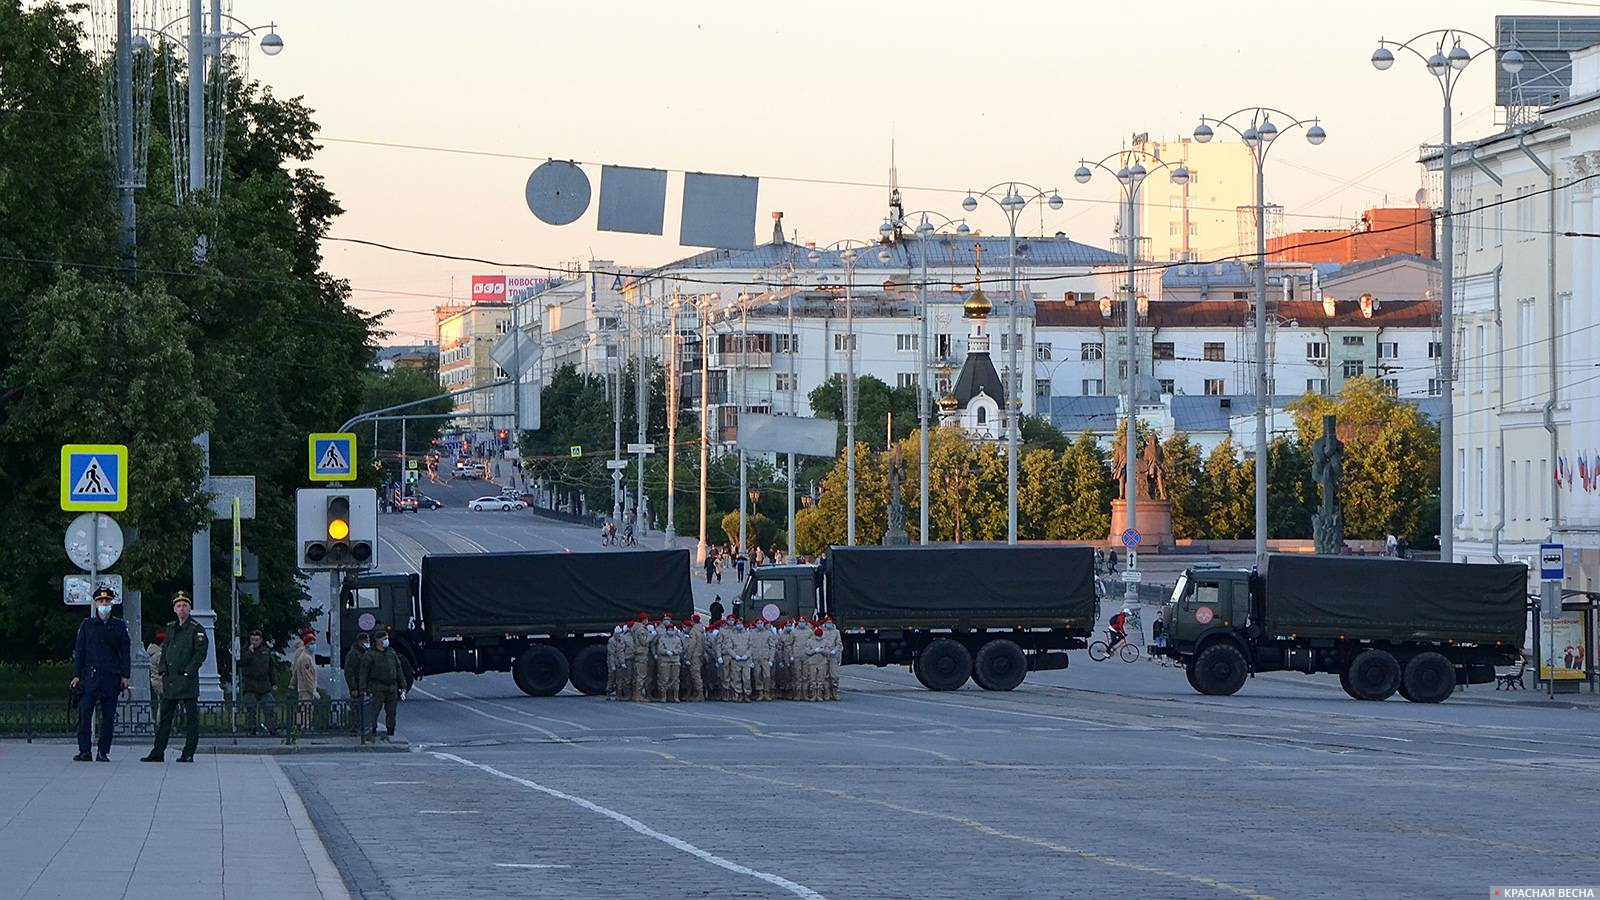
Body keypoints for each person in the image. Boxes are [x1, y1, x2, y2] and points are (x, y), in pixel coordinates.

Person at [143, 591, 208, 763]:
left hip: (186, 680)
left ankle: (188, 752)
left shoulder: (196, 629)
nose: (182, 609)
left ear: (189, 608)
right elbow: (166, 651)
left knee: (191, 719)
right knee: (165, 719)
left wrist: (188, 671)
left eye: (185, 606)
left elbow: (200, 654)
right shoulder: (171, 627)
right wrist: (163, 670)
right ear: (174, 609)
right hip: (170, 680)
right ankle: (158, 751)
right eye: (178, 606)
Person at [72, 586, 130, 762]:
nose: (104, 604)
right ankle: (85, 751)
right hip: (90, 676)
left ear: (111, 603)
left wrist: (125, 676)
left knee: (108, 717)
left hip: (111, 677)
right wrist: (76, 675)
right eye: (101, 601)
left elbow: (125, 653)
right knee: (85, 714)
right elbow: (80, 651)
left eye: (107, 601)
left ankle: (103, 751)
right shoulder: (87, 625)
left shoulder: (119, 626)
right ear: (96, 603)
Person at [358, 630, 407, 737]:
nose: (386, 641)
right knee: (375, 710)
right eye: (384, 639)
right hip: (377, 687)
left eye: (387, 639)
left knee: (391, 712)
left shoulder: (391, 653)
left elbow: (398, 670)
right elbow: (364, 673)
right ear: (377, 641)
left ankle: (390, 731)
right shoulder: (370, 655)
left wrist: (403, 685)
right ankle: (372, 731)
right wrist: (363, 689)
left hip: (392, 687)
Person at [237, 630, 277, 735]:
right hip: (250, 685)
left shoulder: (266, 651)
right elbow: (240, 663)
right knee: (251, 708)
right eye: (252, 640)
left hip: (264, 685)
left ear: (261, 640)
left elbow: (271, 668)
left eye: (256, 640)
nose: (254, 642)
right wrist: (249, 653)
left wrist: (274, 683)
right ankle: (251, 729)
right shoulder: (245, 651)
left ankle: (272, 728)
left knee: (269, 706)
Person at [292, 630, 318, 730]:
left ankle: (302, 725)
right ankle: (303, 726)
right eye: (312, 643)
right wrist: (313, 690)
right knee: (305, 708)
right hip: (305, 687)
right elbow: (307, 675)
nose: (314, 645)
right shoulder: (304, 654)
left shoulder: (309, 653)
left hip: (305, 686)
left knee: (305, 707)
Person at [654, 619, 684, 702]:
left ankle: (675, 696)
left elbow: (680, 648)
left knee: (675, 679)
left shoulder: (677, 639)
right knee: (664, 679)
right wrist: (666, 652)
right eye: (669, 630)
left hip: (675, 660)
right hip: (665, 661)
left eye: (672, 630)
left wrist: (674, 652)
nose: (670, 631)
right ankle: (663, 696)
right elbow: (659, 649)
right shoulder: (662, 638)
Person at [683, 615, 706, 701]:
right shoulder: (701, 631)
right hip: (700, 654)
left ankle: (699, 693)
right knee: (697, 674)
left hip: (694, 655)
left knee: (695, 675)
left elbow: (691, 645)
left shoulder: (693, 632)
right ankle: (696, 693)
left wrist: (688, 657)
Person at [629, 614, 651, 701]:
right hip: (641, 654)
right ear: (644, 620)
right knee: (641, 675)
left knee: (637, 675)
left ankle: (636, 694)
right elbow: (644, 642)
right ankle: (638, 695)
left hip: (638, 654)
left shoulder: (635, 628)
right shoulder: (641, 629)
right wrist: (651, 635)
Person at [343, 631, 369, 704]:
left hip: (363, 687)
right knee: (357, 707)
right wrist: (353, 688)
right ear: (360, 642)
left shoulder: (364, 652)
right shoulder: (353, 654)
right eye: (365, 641)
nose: (367, 643)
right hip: (357, 687)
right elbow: (349, 672)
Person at [147, 631, 166, 718]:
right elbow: (164, 668)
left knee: (161, 703)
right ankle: (161, 722)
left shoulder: (153, 653)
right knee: (163, 704)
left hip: (155, 680)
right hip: (160, 681)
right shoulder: (159, 655)